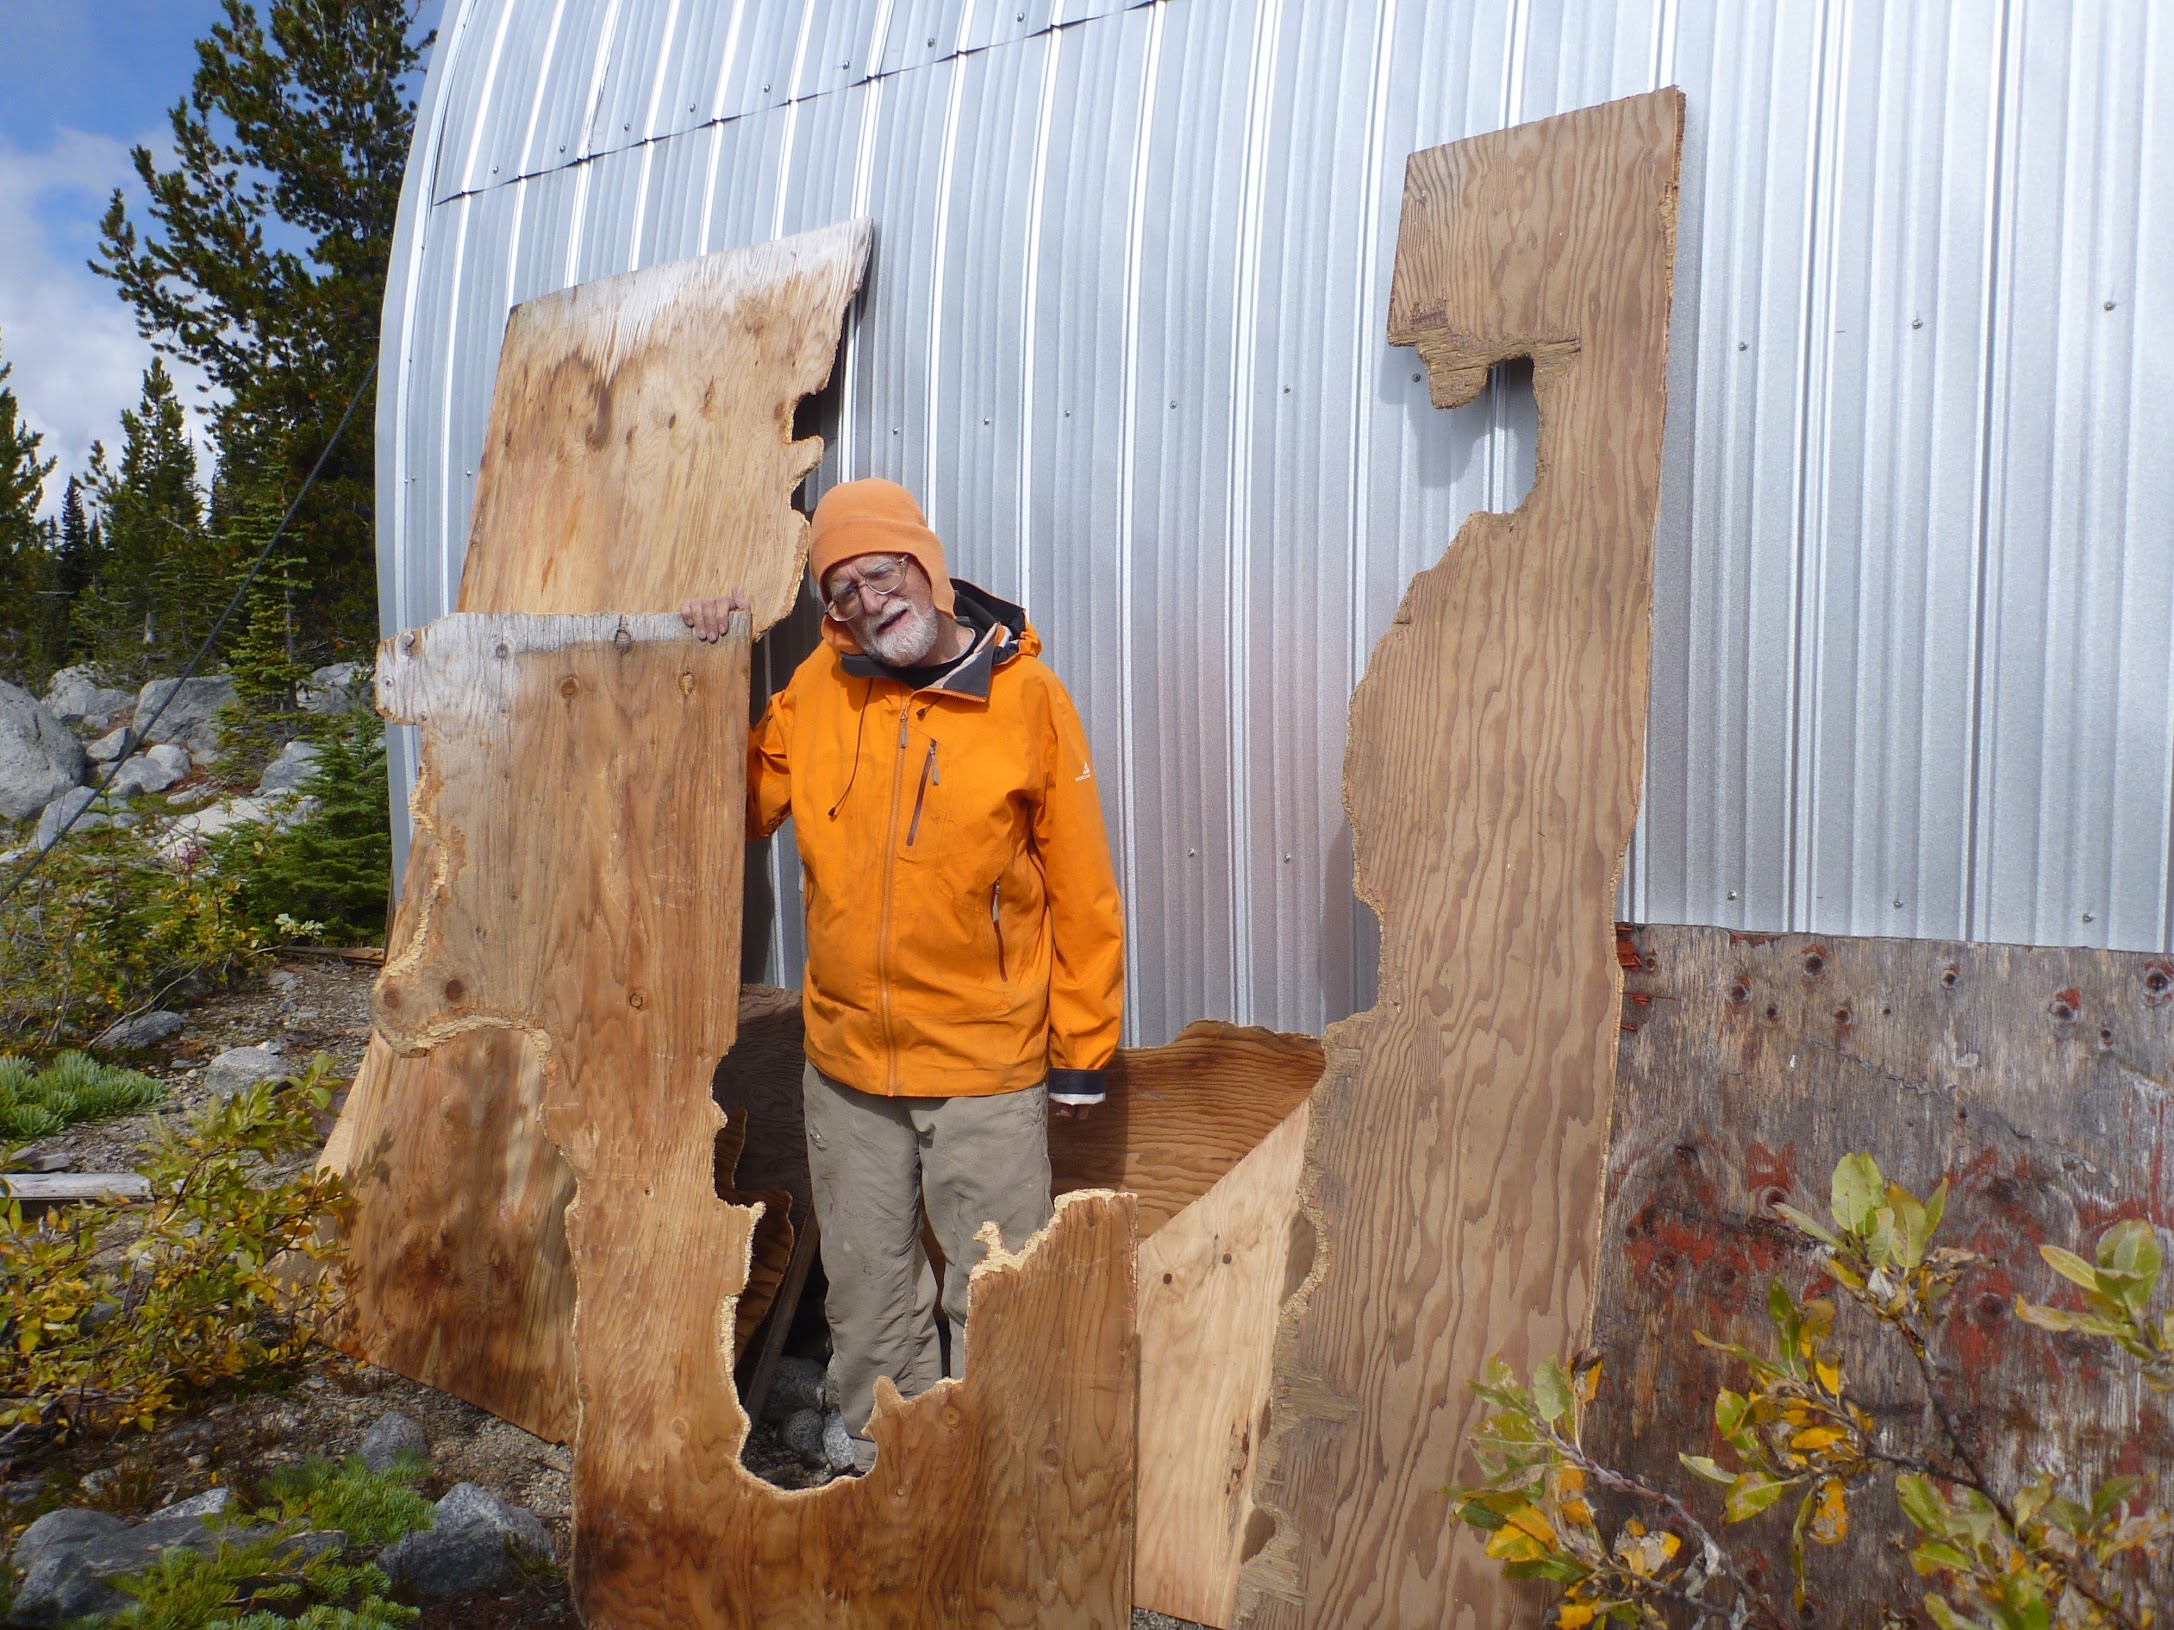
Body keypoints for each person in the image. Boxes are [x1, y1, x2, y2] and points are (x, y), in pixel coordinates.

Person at [680, 476, 1124, 1474]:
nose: (866, 602)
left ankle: (1001, 1480)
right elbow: (735, 805)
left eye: (879, 573)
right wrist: (705, 664)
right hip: (843, 1064)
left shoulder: (1028, 701)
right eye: (839, 590)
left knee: (996, 1286)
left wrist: (1080, 1053)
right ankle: (890, 1480)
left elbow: (1082, 893)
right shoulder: (817, 688)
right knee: (869, 1295)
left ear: (922, 566)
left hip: (983, 1058)